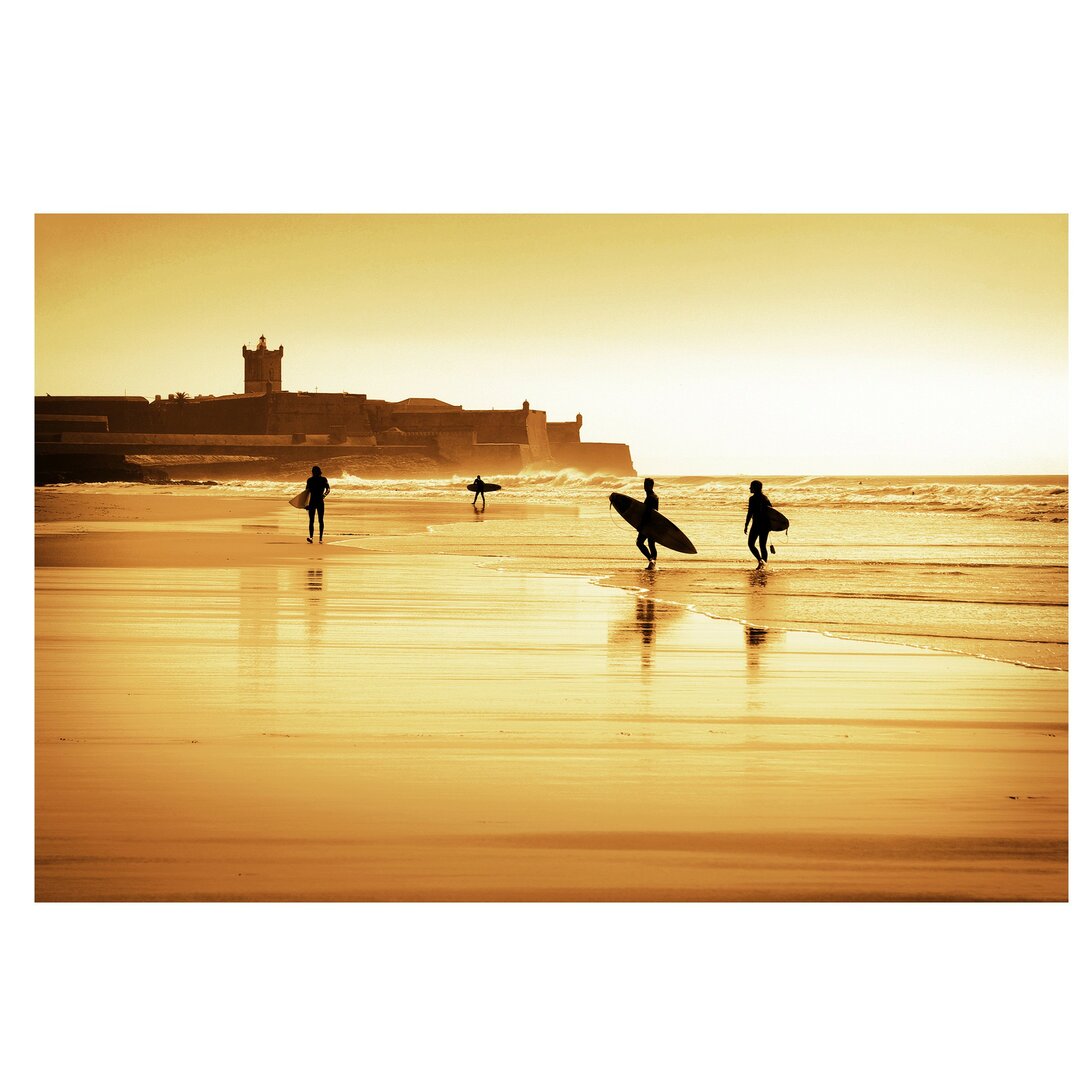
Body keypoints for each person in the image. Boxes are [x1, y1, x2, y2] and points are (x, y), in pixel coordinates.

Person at [743, 479, 772, 568]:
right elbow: (771, 511)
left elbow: (750, 512)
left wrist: (746, 525)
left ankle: (760, 561)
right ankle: (763, 564)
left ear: (755, 488)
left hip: (756, 525)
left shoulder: (752, 499)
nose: (749, 488)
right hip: (765, 525)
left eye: (751, 487)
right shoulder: (765, 498)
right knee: (762, 546)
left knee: (751, 544)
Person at [636, 477, 659, 569]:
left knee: (639, 543)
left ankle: (651, 560)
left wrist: (640, 525)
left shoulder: (650, 497)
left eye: (647, 484)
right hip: (653, 525)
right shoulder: (654, 496)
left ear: (651, 486)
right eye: (644, 484)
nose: (644, 486)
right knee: (651, 544)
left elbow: (647, 513)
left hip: (648, 525)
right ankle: (652, 563)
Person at [305, 465, 330, 544]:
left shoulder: (311, 480)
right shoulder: (321, 479)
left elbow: (306, 493)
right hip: (319, 501)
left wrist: (306, 504)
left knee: (313, 520)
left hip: (313, 501)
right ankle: (318, 539)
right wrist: (324, 495)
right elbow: (328, 489)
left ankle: (315, 538)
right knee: (319, 520)